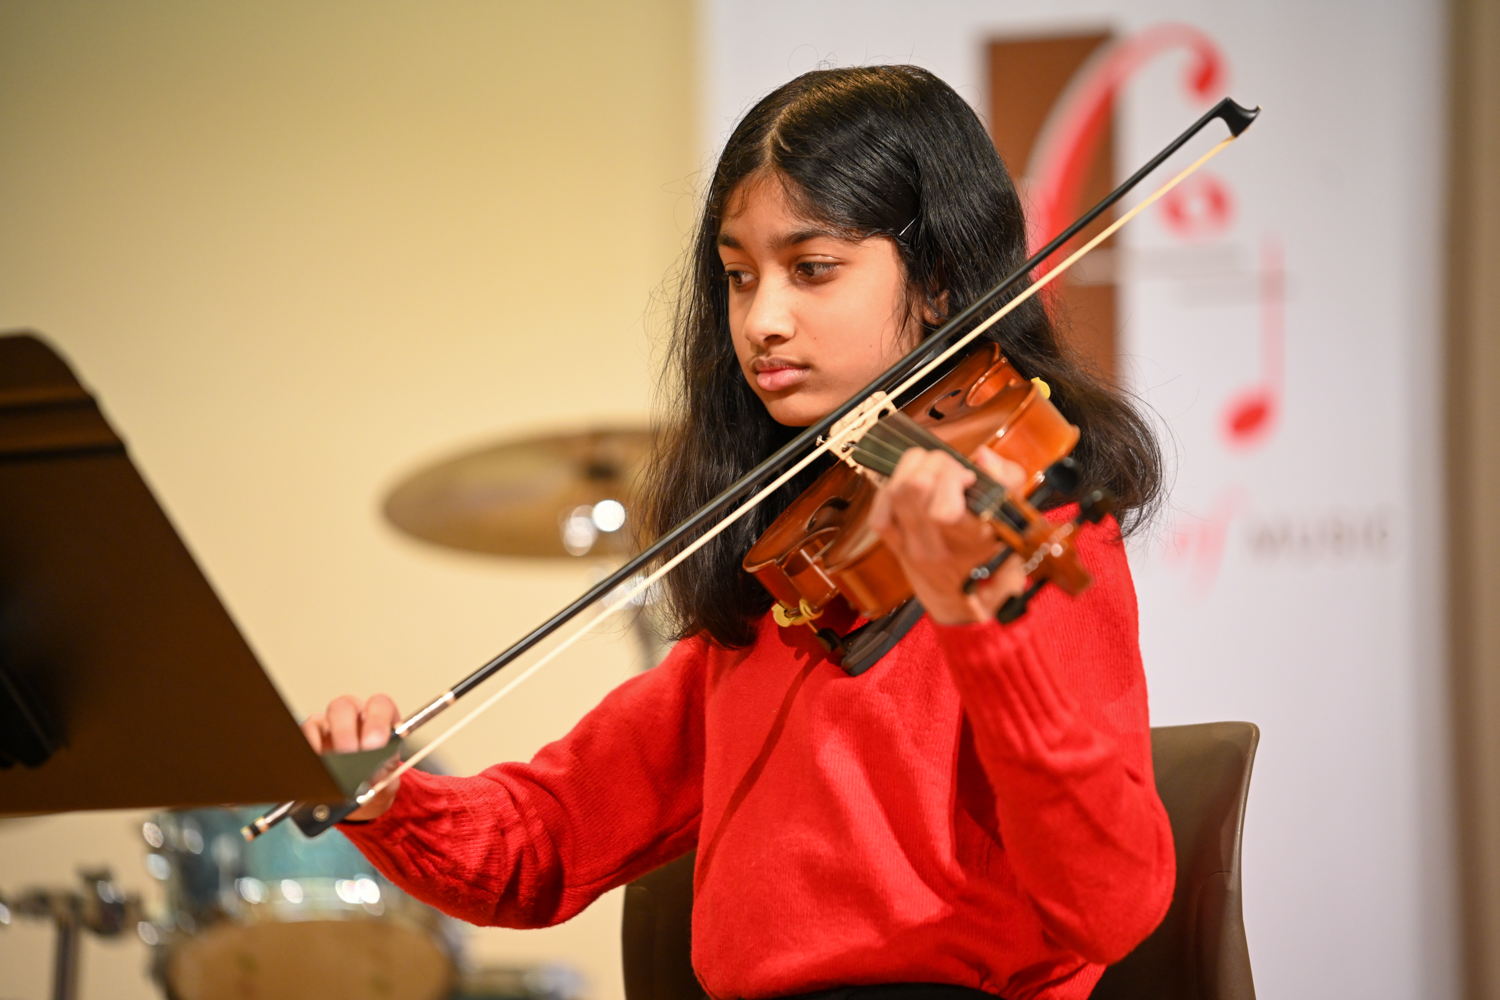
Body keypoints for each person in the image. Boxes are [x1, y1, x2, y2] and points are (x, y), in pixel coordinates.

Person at [303, 66, 1174, 1000]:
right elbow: (549, 840)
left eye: (812, 269)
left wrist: (985, 626)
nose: (762, 321)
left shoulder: (1039, 539)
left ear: (937, 281)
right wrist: (388, 802)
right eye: (739, 276)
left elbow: (1112, 906)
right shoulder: (788, 589)